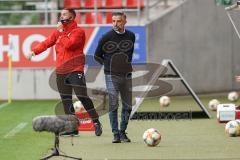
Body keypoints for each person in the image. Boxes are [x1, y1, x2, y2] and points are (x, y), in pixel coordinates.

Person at [27, 8, 102, 136]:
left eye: (64, 14)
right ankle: (72, 128)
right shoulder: (59, 32)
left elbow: (69, 44)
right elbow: (47, 42)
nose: (61, 16)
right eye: (61, 14)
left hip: (75, 69)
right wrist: (34, 51)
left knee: (82, 96)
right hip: (61, 70)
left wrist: (61, 31)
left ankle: (96, 122)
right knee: (66, 100)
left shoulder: (78, 32)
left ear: (72, 17)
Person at [94, 12, 135, 143]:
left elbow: (129, 54)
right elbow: (97, 55)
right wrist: (109, 66)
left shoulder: (131, 36)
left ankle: (123, 132)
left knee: (128, 106)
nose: (115, 24)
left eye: (118, 21)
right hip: (111, 75)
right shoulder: (106, 36)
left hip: (127, 75)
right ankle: (115, 134)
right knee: (113, 105)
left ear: (125, 22)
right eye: (113, 21)